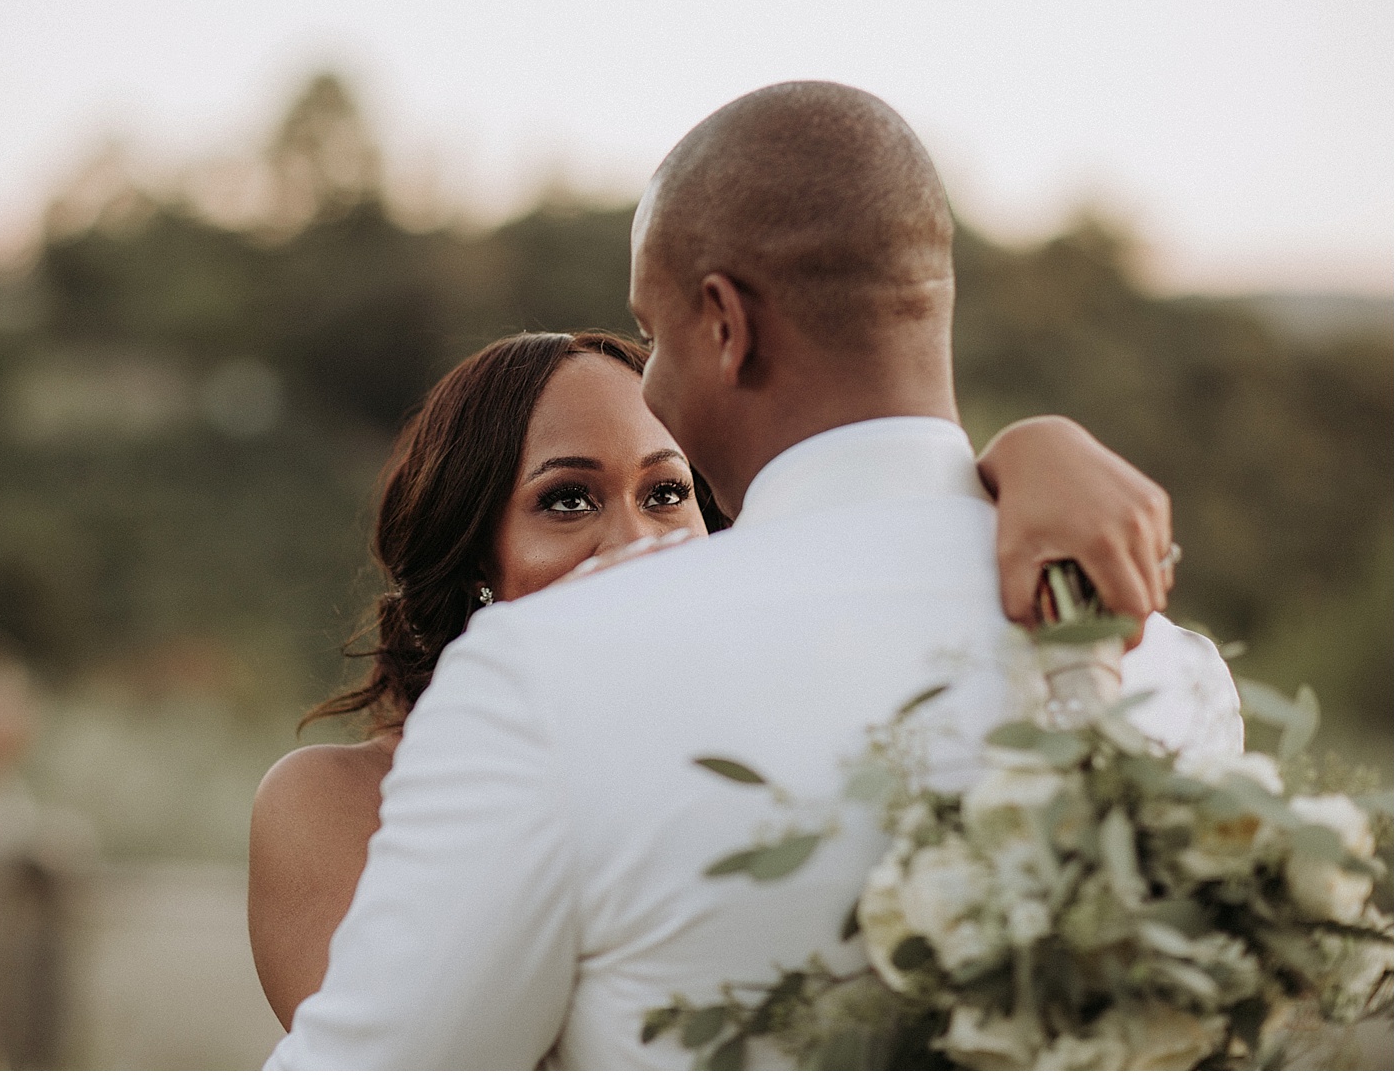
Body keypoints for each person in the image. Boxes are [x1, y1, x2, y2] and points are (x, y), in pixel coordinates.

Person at [262, 82, 1242, 1068]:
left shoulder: (547, 684)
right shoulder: (1172, 676)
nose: (652, 389)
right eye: (567, 499)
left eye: (654, 335)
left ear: (724, 324)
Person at [250, 335, 1186, 1030]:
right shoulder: (330, 805)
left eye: (666, 492)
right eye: (567, 499)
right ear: (471, 558)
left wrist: (1029, 450)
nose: (639, 539)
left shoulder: (750, 748)